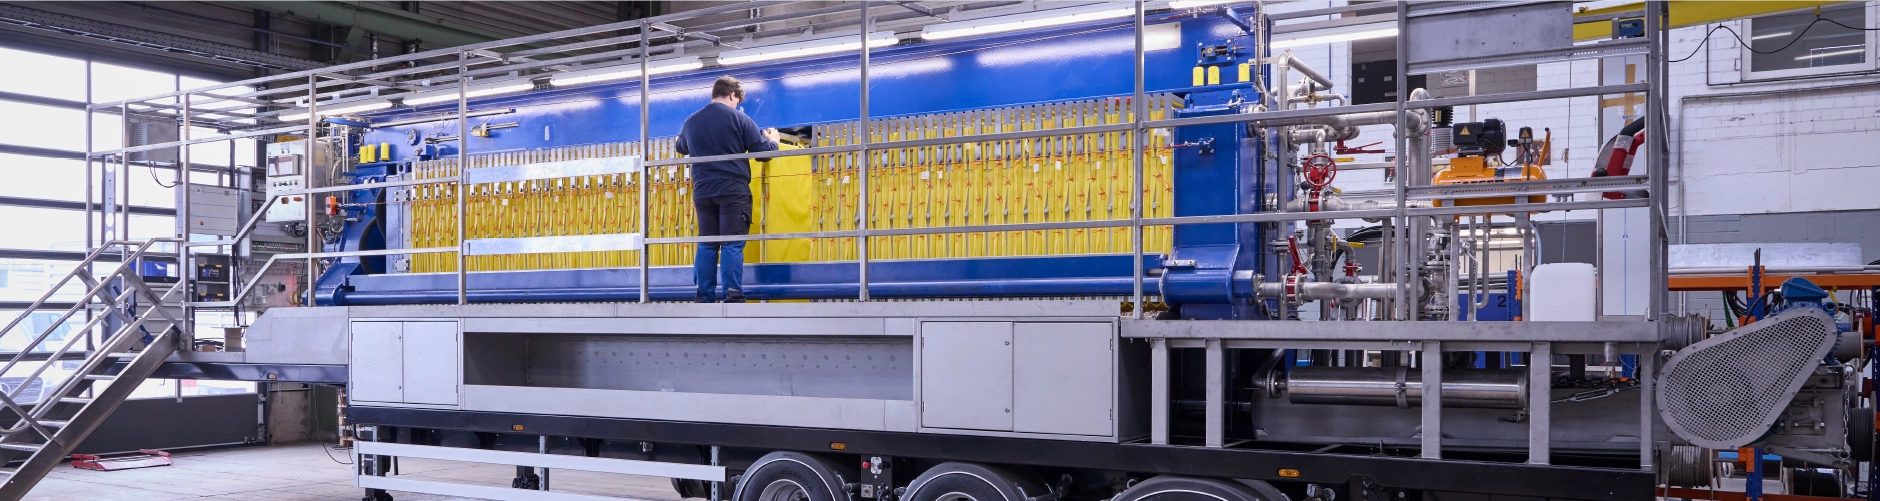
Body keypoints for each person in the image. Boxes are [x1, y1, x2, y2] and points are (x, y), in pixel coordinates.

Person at [674, 76, 780, 303]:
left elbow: (681, 146)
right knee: (732, 243)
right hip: (733, 191)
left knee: (707, 243)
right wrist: (774, 141)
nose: (737, 105)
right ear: (732, 95)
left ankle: (704, 296)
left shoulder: (691, 120)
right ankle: (732, 295)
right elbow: (763, 153)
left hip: (703, 192)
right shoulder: (740, 118)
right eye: (737, 101)